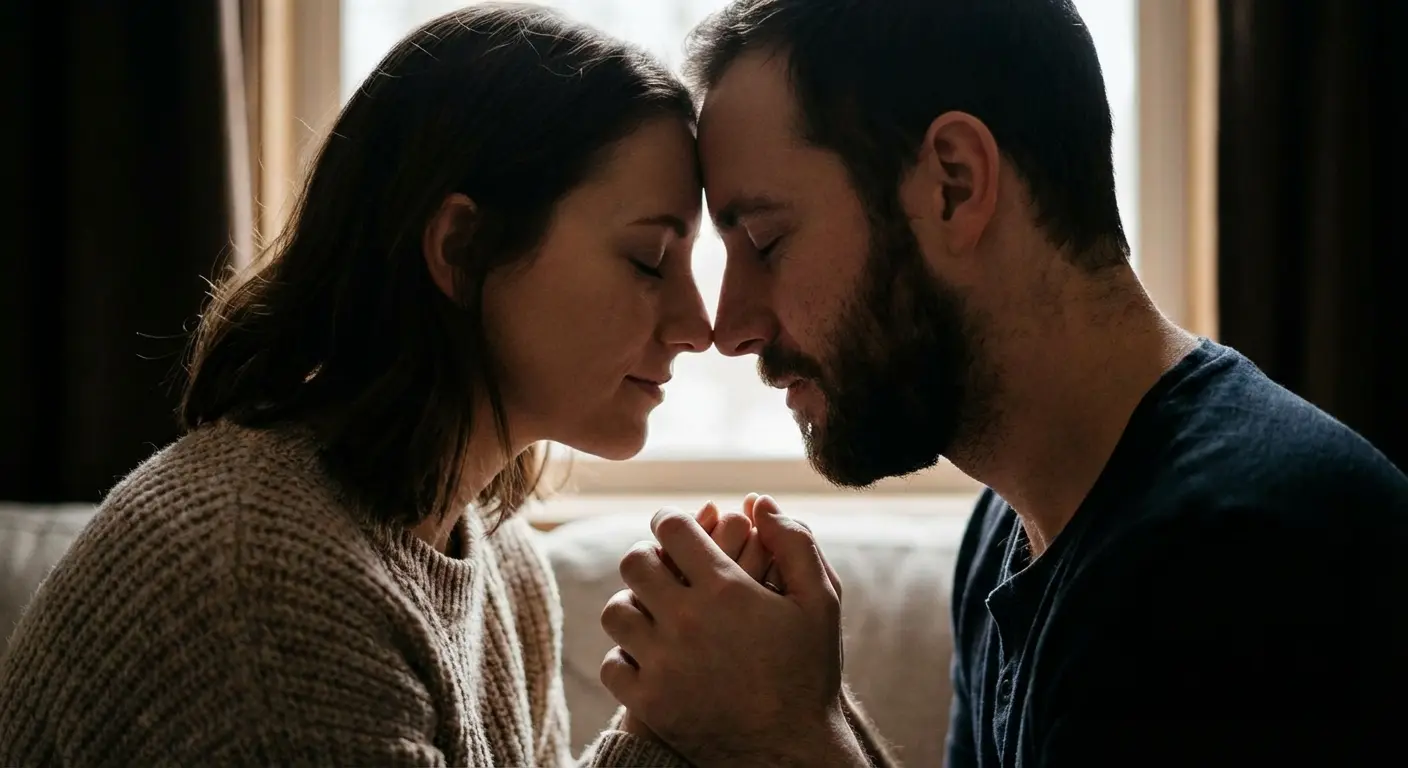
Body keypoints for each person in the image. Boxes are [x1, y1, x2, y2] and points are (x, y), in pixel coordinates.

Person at [597, 1, 1408, 766]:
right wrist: (807, 718)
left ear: (954, 183)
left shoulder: (1242, 560)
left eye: (767, 241)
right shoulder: (1009, 525)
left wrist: (787, 737)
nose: (731, 328)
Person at [0, 5, 754, 766]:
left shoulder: (498, 560)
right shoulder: (270, 597)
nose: (700, 328)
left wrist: (682, 717)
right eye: (650, 260)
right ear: (462, 248)